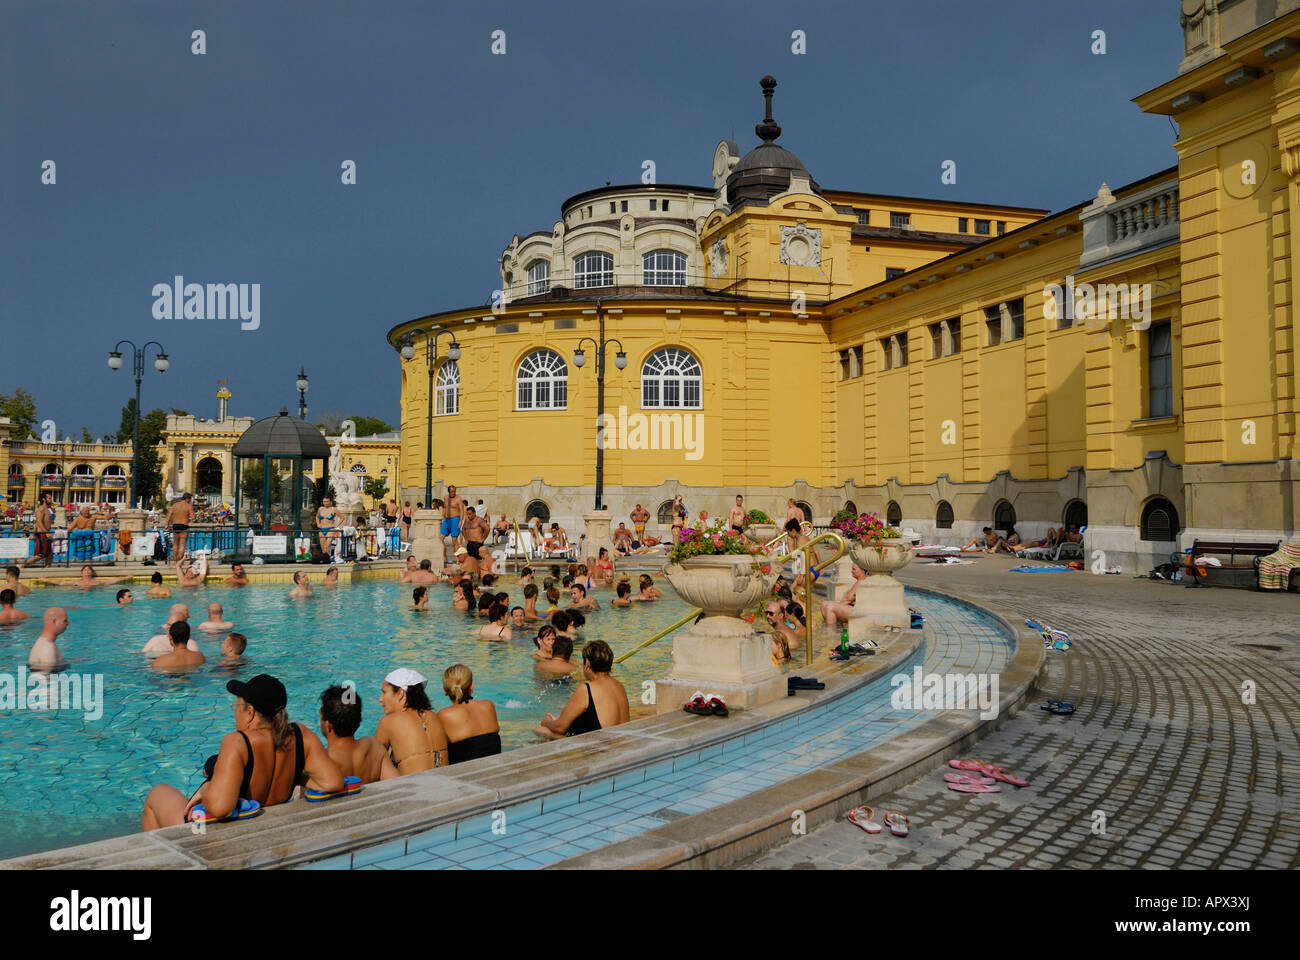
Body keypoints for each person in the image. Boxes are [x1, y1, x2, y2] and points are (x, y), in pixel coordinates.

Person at [141, 674, 344, 829]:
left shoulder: (238, 742)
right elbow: (333, 782)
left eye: (236, 706)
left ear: (250, 712)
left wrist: (207, 788)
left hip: (217, 836)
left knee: (157, 794)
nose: (234, 711)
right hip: (271, 828)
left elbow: (220, 808)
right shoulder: (301, 735)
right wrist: (293, 774)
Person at [535, 640, 629, 738]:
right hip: (621, 741)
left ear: (587, 664)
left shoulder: (587, 689)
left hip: (601, 744)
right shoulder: (619, 686)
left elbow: (559, 728)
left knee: (541, 730)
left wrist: (546, 722)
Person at [374, 668, 449, 773]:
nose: (381, 699)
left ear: (400, 693)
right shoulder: (434, 716)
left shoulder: (388, 722)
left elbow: (374, 765)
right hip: (446, 781)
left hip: (415, 783)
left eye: (384, 692)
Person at [319, 684, 397, 783]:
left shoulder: (322, 761)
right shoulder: (374, 748)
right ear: (358, 721)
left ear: (328, 725)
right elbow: (396, 783)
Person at [437, 665, 502, 764]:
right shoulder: (488, 705)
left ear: (444, 690)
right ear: (472, 686)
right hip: (497, 768)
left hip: (464, 773)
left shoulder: (443, 715)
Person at [820, 563, 866, 628]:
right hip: (853, 608)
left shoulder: (861, 581)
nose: (851, 571)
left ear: (862, 571)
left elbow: (848, 599)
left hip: (859, 611)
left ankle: (831, 631)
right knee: (824, 604)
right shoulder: (859, 581)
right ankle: (832, 625)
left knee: (830, 607)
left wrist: (836, 607)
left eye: (854, 569)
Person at [28, 606, 70, 672]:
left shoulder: (43, 643)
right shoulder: (48, 648)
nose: (68, 623)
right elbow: (46, 676)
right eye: (65, 621)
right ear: (54, 621)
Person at [166, 492, 194, 560]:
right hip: (184, 525)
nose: (190, 501)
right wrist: (190, 518)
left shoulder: (175, 505)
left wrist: (167, 524)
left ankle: (175, 561)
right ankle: (179, 561)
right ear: (187, 498)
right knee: (182, 545)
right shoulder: (189, 506)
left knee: (175, 544)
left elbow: (169, 515)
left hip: (175, 525)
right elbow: (193, 517)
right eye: (190, 499)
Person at [30, 493, 53, 567]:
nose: (51, 500)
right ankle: (21, 565)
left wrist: (34, 533)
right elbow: (39, 521)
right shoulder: (41, 509)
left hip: (46, 533)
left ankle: (47, 570)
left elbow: (37, 523)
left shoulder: (47, 509)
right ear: (44, 499)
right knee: (39, 555)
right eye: (49, 498)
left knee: (49, 554)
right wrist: (46, 532)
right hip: (42, 534)